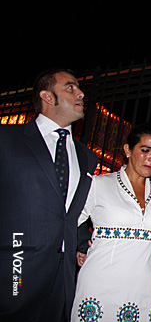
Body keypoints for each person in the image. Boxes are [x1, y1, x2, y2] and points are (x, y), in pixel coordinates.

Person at [0, 69, 98, 322]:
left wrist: (80, 243)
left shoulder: (86, 156)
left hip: (63, 279)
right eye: (70, 87)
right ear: (47, 96)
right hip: (15, 270)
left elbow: (71, 212)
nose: (81, 93)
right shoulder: (7, 140)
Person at [70, 124, 151, 322]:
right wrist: (81, 244)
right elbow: (70, 222)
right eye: (145, 150)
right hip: (99, 286)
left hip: (141, 288)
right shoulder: (100, 184)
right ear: (127, 150)